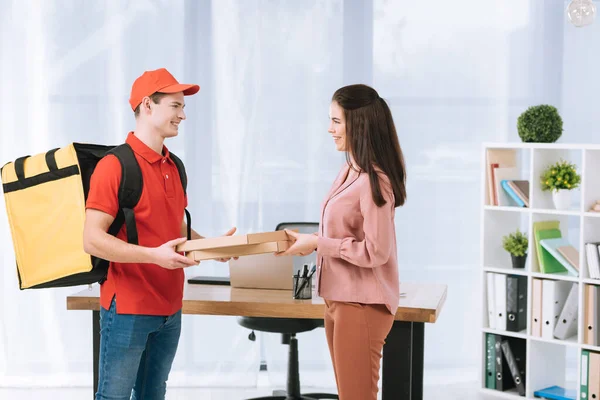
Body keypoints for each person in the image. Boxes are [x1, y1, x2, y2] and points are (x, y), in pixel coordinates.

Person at [83, 68, 235, 400]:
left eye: (183, 107)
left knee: (154, 395)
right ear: (148, 106)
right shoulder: (115, 165)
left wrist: (211, 245)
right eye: (175, 106)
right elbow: (92, 238)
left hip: (170, 307)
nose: (183, 114)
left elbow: (173, 225)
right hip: (128, 307)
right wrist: (155, 256)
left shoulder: (174, 165)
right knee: (114, 397)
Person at [278, 84, 407, 400]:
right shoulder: (349, 170)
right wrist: (311, 241)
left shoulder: (375, 181)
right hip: (338, 300)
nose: (330, 129)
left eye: (336, 121)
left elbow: (376, 252)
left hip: (361, 304)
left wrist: (318, 243)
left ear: (358, 124)